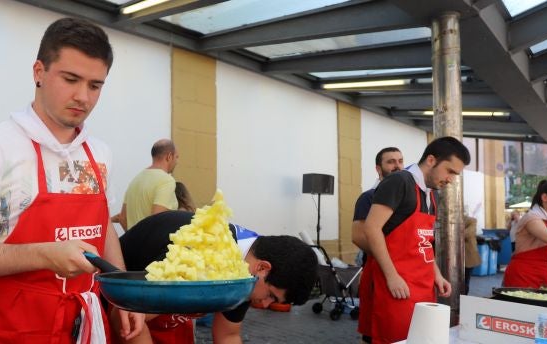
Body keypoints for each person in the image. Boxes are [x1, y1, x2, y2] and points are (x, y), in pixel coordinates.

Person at [0, 18, 143, 343]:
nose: (83, 97)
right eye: (71, 79)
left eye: (95, 85)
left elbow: (103, 227)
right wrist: (45, 255)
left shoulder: (100, 152)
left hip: (85, 325)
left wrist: (123, 294)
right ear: (39, 72)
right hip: (10, 328)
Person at [113, 210, 318, 344]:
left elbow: (228, 335)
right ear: (263, 268)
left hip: (166, 319)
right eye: (271, 296)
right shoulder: (203, 253)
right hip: (115, 307)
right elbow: (127, 318)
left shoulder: (248, 266)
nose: (265, 305)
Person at [361, 137, 469, 344]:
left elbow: (424, 242)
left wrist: (437, 275)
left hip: (423, 284)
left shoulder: (431, 193)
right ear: (431, 160)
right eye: (450, 171)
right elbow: (371, 228)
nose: (451, 179)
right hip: (397, 285)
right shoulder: (399, 181)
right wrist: (392, 277)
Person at [350, 146, 403, 344]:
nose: (397, 166)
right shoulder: (368, 198)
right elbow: (358, 236)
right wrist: (392, 258)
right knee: (374, 331)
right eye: (391, 162)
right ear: (378, 169)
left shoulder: (408, 197)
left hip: (407, 273)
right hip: (377, 272)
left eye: (400, 161)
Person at [113, 139, 180, 230]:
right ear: (169, 156)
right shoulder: (166, 180)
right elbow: (157, 219)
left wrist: (135, 238)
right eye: (176, 157)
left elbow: (123, 218)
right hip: (154, 243)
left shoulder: (136, 179)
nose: (177, 162)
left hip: (134, 243)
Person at [463, 215, 481, 294]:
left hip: (468, 256)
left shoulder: (472, 221)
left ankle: (464, 297)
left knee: (465, 281)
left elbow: (466, 234)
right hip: (456, 257)